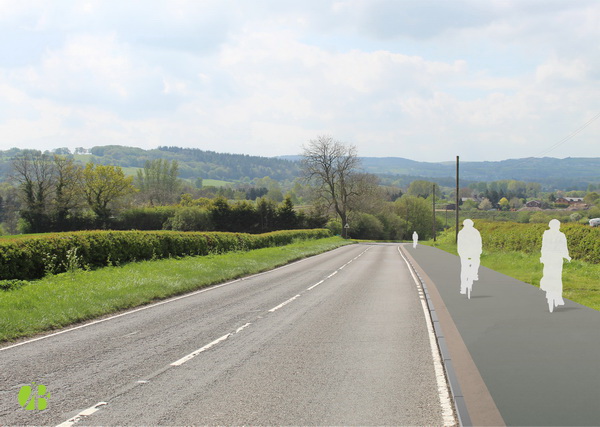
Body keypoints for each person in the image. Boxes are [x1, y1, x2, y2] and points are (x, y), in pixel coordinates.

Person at [540, 219, 571, 312]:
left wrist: (542, 257)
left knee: (548, 274)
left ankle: (548, 290)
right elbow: (564, 247)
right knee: (557, 277)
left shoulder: (546, 234)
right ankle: (558, 297)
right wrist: (567, 256)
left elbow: (544, 246)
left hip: (549, 258)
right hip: (556, 258)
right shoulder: (561, 235)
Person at [457, 219, 482, 299]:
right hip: (470, 253)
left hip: (466, 253)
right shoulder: (475, 232)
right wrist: (479, 251)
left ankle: (463, 288)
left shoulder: (461, 232)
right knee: (475, 262)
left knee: (464, 270)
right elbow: (479, 242)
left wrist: (460, 253)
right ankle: (474, 274)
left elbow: (459, 244)